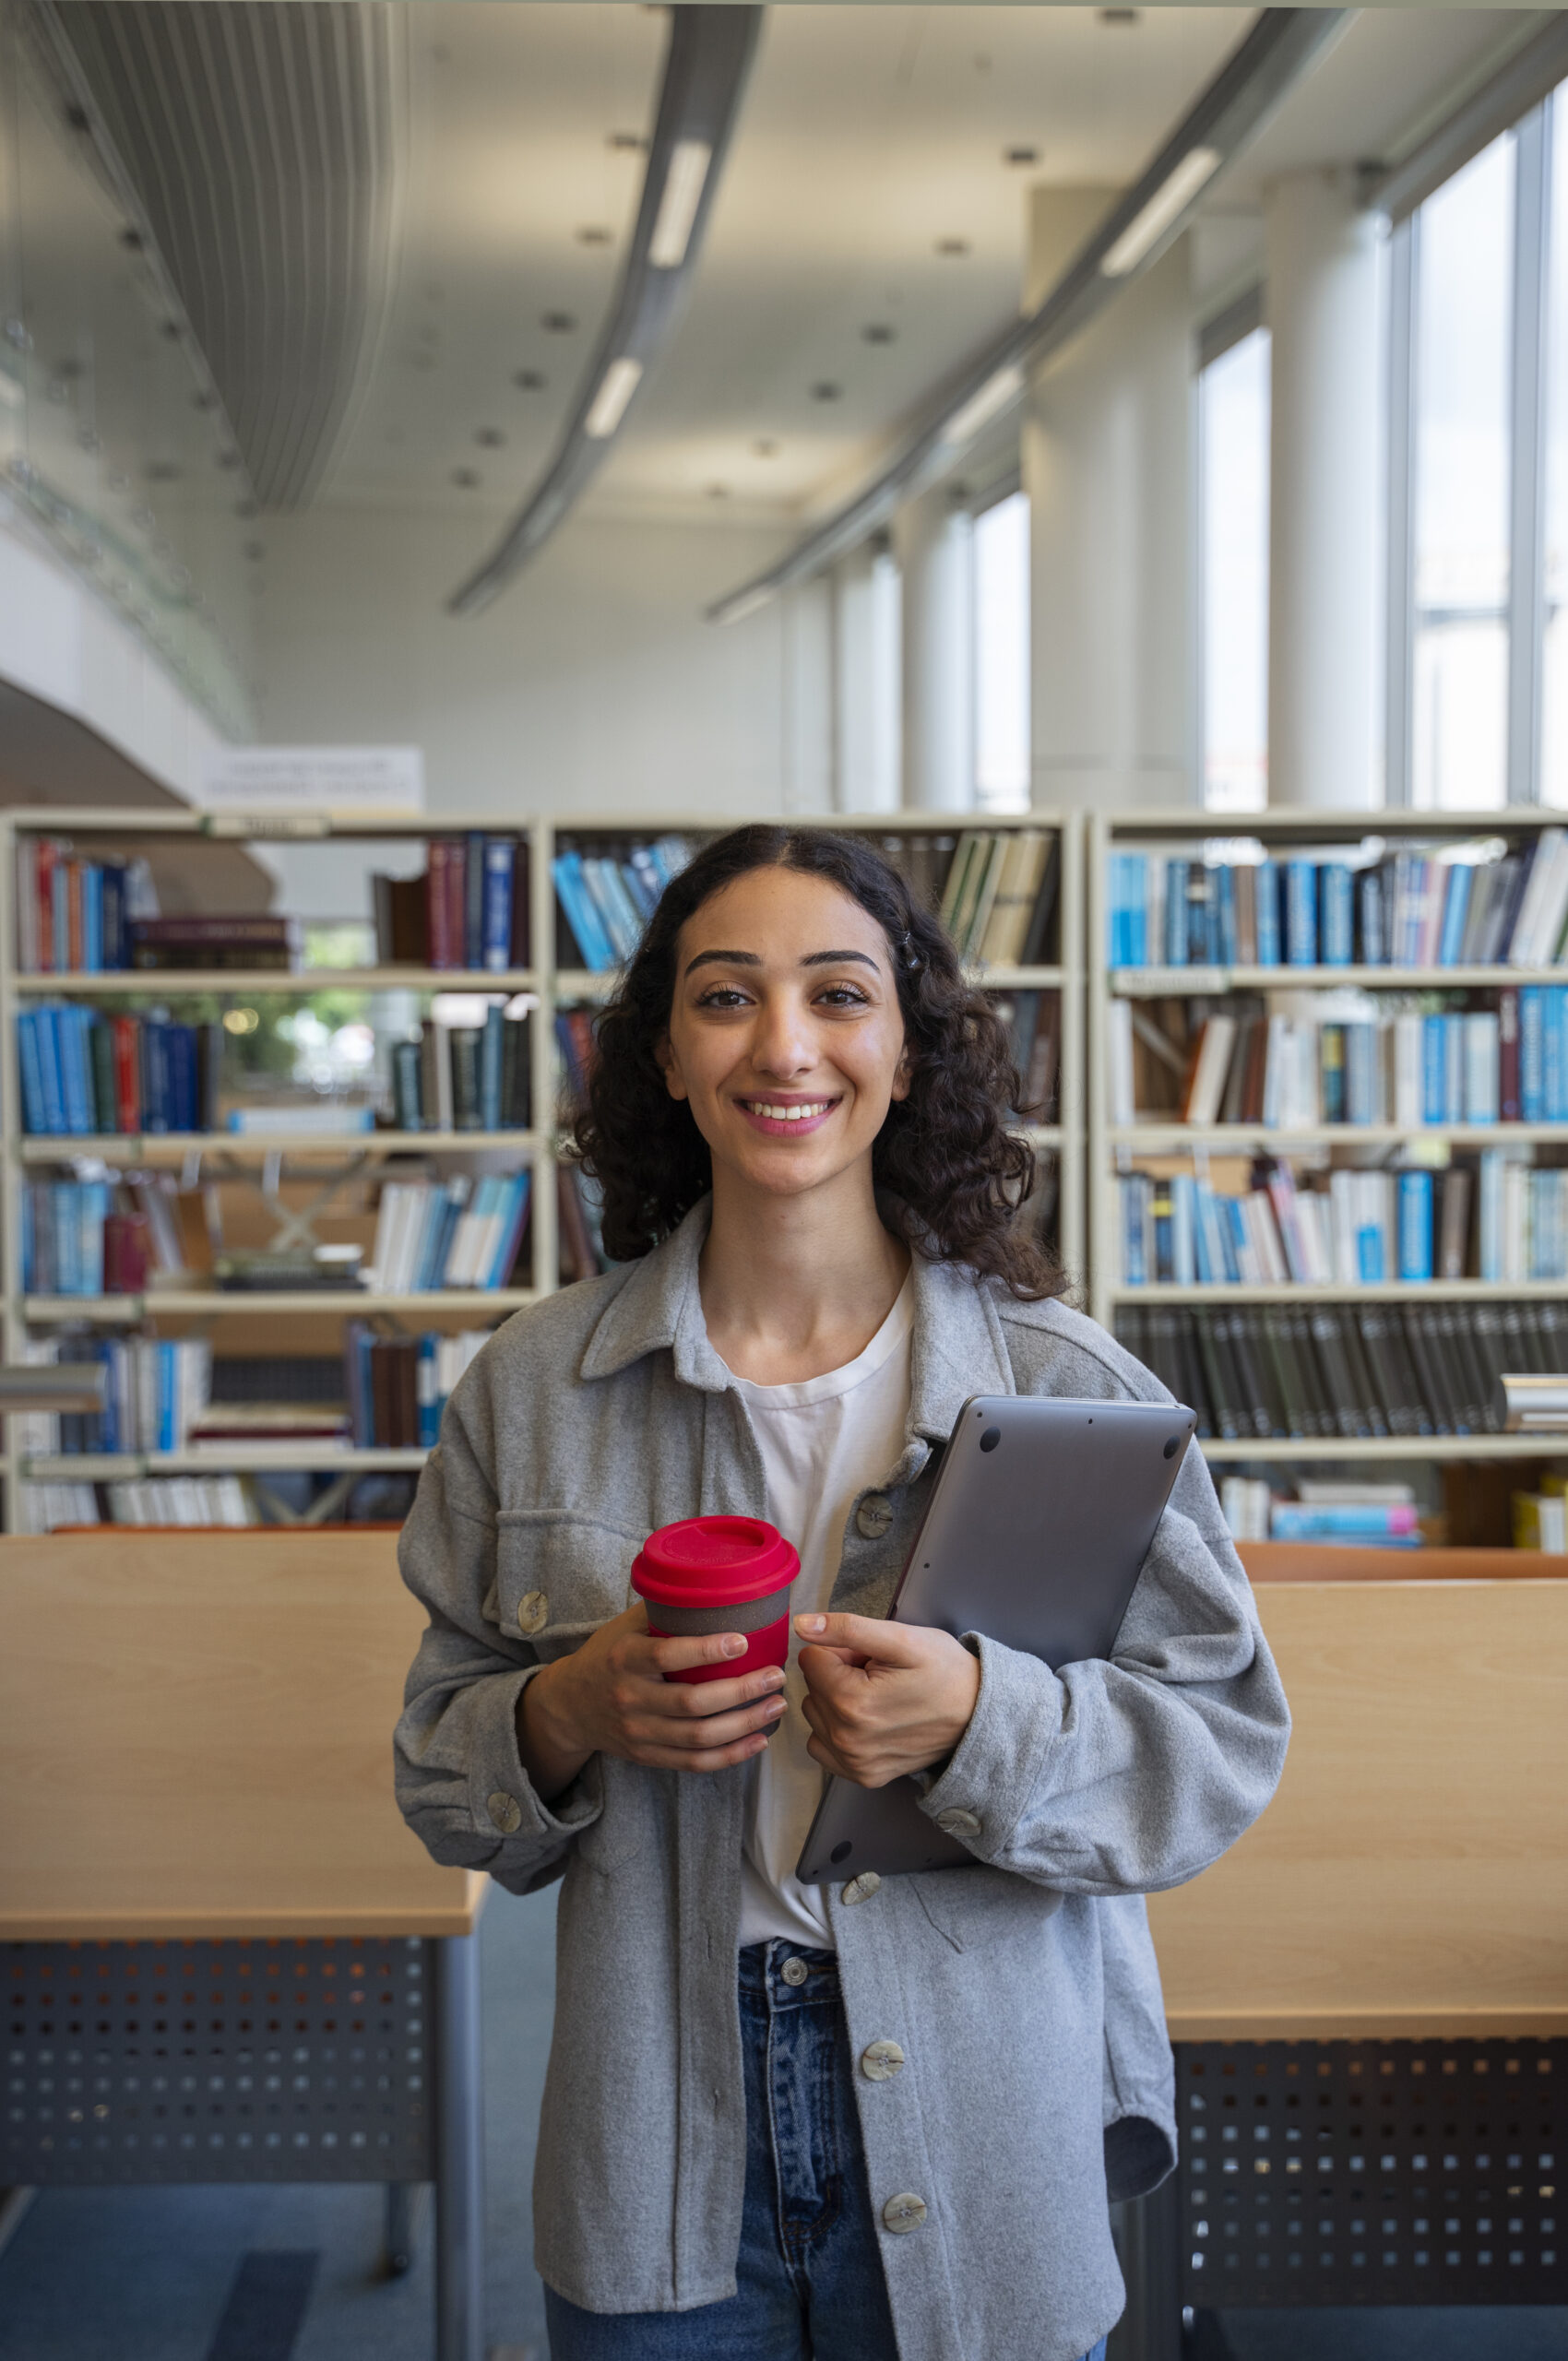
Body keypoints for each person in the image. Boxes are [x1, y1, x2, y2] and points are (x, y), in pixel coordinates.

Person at [394, 824, 1289, 2361]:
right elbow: (441, 1778)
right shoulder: (532, 1389)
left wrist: (979, 1723)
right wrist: (566, 1708)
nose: (785, 1045)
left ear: (907, 1047)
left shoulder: (1068, 1388)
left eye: (839, 994)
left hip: (982, 2097)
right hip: (655, 2125)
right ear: (667, 1054)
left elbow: (1214, 1757)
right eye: (727, 997)